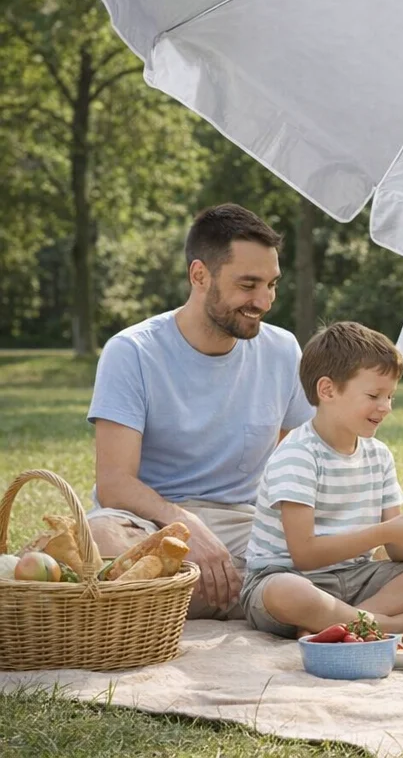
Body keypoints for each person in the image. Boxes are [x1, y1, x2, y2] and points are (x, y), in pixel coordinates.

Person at [87, 203, 314, 619]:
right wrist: (185, 527)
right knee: (99, 538)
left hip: (245, 528)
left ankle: (179, 598)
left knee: (338, 552)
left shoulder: (282, 350)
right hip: (149, 523)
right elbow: (115, 483)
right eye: (248, 285)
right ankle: (250, 596)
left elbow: (300, 463)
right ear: (199, 275)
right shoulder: (132, 351)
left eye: (272, 284)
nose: (264, 301)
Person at [241, 321, 403, 637]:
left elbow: (396, 551)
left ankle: (337, 624)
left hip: (357, 578)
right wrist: (385, 531)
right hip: (292, 578)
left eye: (391, 396)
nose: (385, 407)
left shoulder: (379, 455)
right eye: (374, 395)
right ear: (328, 390)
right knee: (287, 591)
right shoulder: (298, 454)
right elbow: (304, 555)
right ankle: (386, 623)